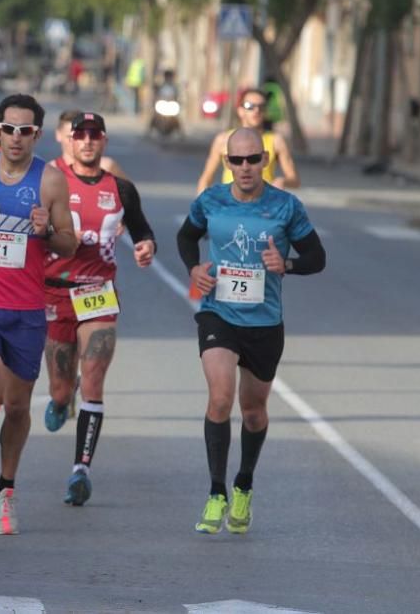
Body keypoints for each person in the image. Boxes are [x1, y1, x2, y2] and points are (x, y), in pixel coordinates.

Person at [176, 127, 326, 534]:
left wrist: (287, 264)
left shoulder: (285, 206)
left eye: (253, 159)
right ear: (227, 163)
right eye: (237, 160)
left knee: (254, 411)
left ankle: (244, 483)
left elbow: (317, 256)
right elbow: (186, 237)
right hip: (218, 314)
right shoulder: (211, 200)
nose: (245, 167)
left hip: (264, 322)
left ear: (265, 161)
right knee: (220, 398)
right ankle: (216, 492)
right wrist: (194, 268)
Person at [0, 94, 78, 535]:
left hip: (27, 310)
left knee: (16, 404)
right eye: (7, 129)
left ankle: (5, 491)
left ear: (37, 135)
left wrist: (46, 230)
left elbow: (69, 243)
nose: (14, 138)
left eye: (24, 131)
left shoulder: (49, 180)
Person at [43, 112, 156, 506]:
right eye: (80, 135)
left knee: (94, 375)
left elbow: (141, 228)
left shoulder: (120, 189)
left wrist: (146, 245)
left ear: (104, 141)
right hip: (56, 292)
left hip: (98, 292)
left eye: (95, 135)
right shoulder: (53, 182)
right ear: (69, 141)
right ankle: (62, 396)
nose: (87, 141)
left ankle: (81, 470)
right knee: (58, 390)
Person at [196, 88, 300, 194]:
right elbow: (206, 178)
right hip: (231, 206)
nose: (256, 111)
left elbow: (294, 180)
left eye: (261, 107)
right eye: (250, 106)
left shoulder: (276, 140)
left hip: (262, 206)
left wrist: (282, 181)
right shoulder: (223, 139)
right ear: (240, 111)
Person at [54, 110, 128, 180]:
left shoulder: (107, 167)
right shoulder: (52, 170)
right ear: (58, 135)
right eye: (78, 136)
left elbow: (128, 190)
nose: (86, 141)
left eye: (93, 135)